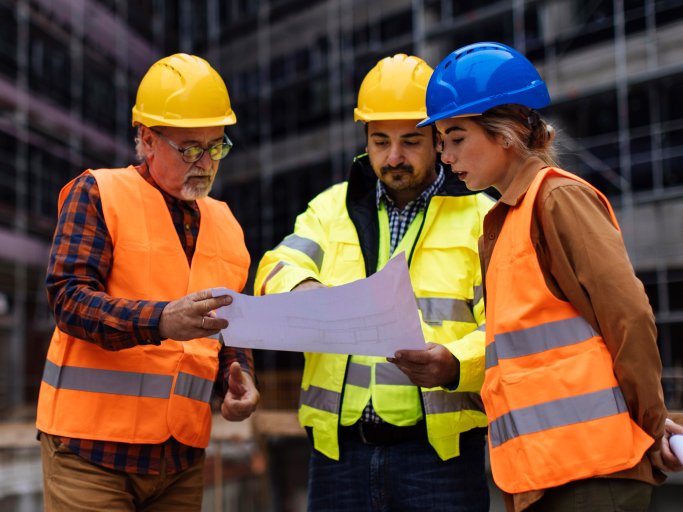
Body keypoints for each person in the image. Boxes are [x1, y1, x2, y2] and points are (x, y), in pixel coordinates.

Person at [418, 41, 683, 511]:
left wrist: (650, 422)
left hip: (595, 473)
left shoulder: (556, 200)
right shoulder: (506, 219)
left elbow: (629, 317)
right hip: (547, 476)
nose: (446, 156)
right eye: (441, 141)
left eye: (457, 138)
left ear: (505, 132)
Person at [254, 54, 494, 511]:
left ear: (438, 138)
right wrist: (303, 291)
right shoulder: (331, 209)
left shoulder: (482, 217)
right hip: (338, 456)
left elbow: (508, 325)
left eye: (411, 141)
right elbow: (274, 266)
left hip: (439, 459)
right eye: (380, 141)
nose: (394, 157)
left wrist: (455, 363)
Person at [36, 53, 260, 511]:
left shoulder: (226, 224)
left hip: (180, 459)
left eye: (215, 147)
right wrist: (160, 320)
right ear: (147, 139)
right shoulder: (99, 193)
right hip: (90, 453)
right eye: (190, 148)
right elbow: (69, 300)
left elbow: (227, 328)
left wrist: (240, 377)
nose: (205, 162)